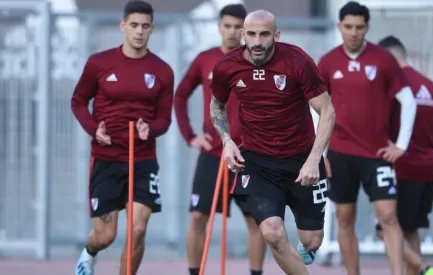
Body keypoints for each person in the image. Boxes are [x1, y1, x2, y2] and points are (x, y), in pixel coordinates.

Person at [209, 10, 336, 275]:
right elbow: (216, 105)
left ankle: (301, 257)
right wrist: (227, 140)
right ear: (243, 35)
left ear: (276, 36)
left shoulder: (297, 61)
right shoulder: (226, 66)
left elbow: (327, 111)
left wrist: (314, 159)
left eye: (264, 34)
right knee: (272, 232)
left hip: (302, 160)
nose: (257, 41)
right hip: (257, 161)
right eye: (251, 34)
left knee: (312, 241)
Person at [71, 1, 174, 274]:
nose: (139, 32)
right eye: (134, 25)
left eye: (144, 26)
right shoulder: (99, 63)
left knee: (138, 230)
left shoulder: (163, 71)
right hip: (107, 158)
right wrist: (94, 129)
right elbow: (78, 101)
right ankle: (90, 251)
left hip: (143, 159)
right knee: (106, 236)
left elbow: (165, 119)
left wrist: (149, 129)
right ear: (123, 26)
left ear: (152, 29)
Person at [317, 2, 417, 275]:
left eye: (359, 27)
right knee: (344, 219)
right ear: (339, 27)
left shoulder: (383, 59)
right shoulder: (327, 62)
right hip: (340, 153)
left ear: (367, 28)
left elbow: (408, 101)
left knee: (388, 217)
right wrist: (319, 153)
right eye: (348, 27)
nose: (353, 33)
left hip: (377, 154)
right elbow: (319, 110)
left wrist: (401, 145)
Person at [173, 4, 267, 275]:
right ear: (219, 27)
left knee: (257, 221)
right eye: (227, 26)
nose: (232, 32)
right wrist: (190, 136)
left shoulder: (257, 61)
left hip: (250, 156)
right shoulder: (205, 59)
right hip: (214, 153)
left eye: (238, 27)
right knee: (197, 217)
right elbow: (180, 95)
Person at [376, 35, 433, 275]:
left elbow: (382, 127)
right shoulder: (429, 85)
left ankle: (426, 270)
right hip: (427, 167)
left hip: (402, 168)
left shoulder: (394, 86)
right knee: (410, 229)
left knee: (385, 228)